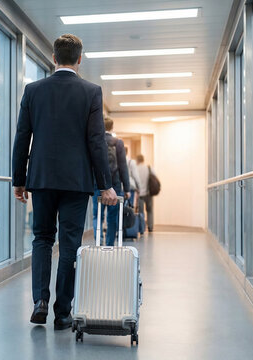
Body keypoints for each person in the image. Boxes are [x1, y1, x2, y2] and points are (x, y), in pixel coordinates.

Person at [12, 34, 117, 330]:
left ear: (54, 57)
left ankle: (39, 302)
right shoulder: (91, 91)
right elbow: (96, 141)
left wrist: (19, 180)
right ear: (80, 59)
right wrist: (105, 184)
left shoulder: (33, 90)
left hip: (42, 178)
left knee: (42, 238)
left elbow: (23, 138)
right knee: (69, 243)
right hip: (76, 180)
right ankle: (63, 311)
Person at [92, 118, 131, 246]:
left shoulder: (96, 141)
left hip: (98, 185)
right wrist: (127, 189)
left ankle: (98, 241)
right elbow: (123, 166)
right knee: (112, 217)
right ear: (112, 127)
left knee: (97, 215)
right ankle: (109, 244)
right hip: (114, 186)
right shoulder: (118, 143)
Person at [136, 154, 155, 232]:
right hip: (148, 193)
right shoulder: (149, 168)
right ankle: (150, 227)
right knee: (149, 210)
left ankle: (142, 228)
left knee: (141, 211)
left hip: (140, 194)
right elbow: (154, 177)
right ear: (143, 160)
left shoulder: (136, 168)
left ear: (137, 160)